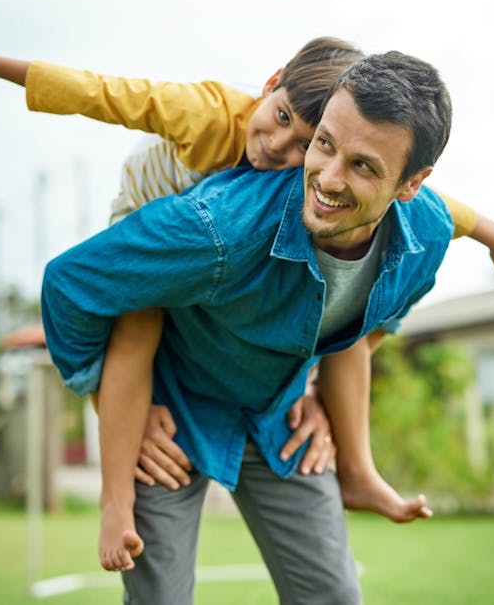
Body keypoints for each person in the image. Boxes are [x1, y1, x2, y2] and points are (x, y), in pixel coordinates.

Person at [0, 28, 494, 572]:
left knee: (342, 315)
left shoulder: (368, 200)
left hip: (248, 327)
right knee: (136, 330)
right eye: (296, 127)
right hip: (153, 237)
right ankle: (114, 502)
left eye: (315, 145)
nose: (284, 152)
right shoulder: (209, 117)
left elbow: (438, 211)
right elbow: (103, 93)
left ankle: (360, 470)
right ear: (269, 85)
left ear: (405, 183)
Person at [41, 49, 458, 604]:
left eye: (363, 165)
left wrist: (318, 390)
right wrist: (109, 399)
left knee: (335, 597)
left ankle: (358, 475)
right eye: (324, 144)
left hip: (277, 413)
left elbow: (362, 327)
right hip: (173, 414)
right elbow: (71, 281)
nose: (328, 178)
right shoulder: (218, 227)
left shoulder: (426, 239)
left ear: (412, 183)